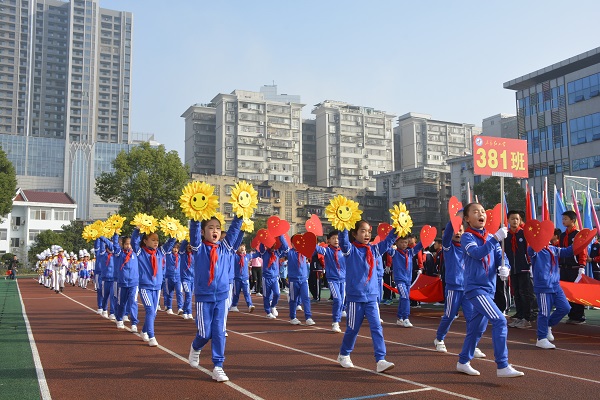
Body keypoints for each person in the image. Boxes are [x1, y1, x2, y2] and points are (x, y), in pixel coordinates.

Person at [456, 202, 524, 378]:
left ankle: (463, 361)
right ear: (467, 219)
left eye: (482, 212)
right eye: (475, 212)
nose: (481, 214)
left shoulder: (491, 237)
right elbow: (478, 253)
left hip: (489, 290)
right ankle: (502, 365)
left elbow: (502, 257)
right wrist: (494, 239)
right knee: (500, 320)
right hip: (475, 289)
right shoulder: (467, 238)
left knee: (476, 329)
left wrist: (506, 268)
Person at [337, 220, 397, 373]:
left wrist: (398, 228)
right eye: (363, 231)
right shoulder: (349, 250)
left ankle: (380, 360)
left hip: (371, 297)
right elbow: (343, 240)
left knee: (377, 327)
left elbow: (388, 241)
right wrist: (343, 222)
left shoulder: (374, 249)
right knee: (352, 329)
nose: (367, 234)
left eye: (369, 232)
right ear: (354, 233)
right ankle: (344, 354)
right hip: (355, 298)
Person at [187, 215, 242, 383]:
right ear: (203, 232)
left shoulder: (225, 247)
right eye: (211, 228)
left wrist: (240, 215)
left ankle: (218, 366)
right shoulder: (198, 247)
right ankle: (196, 347)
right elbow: (194, 232)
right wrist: (196, 216)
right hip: (204, 296)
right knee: (205, 333)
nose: (215, 231)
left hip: (222, 296)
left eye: (217, 227)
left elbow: (233, 231)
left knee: (219, 331)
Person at [433, 218, 486, 358]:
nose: (458, 233)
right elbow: (446, 235)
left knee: (471, 318)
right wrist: (453, 219)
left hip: (468, 289)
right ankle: (439, 338)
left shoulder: (469, 247)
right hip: (453, 288)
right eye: (456, 231)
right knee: (449, 316)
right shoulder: (448, 247)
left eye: (461, 230)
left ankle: (472, 345)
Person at [528, 237, 575, 349]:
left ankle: (548, 325)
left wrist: (579, 242)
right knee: (544, 312)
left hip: (555, 285)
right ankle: (541, 338)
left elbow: (568, 251)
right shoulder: (536, 250)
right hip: (543, 286)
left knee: (565, 308)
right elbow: (530, 251)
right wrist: (536, 242)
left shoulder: (553, 249)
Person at [132, 227, 175, 347]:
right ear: (145, 241)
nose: (156, 242)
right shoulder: (141, 252)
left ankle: (144, 330)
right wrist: (137, 231)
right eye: (153, 240)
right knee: (150, 310)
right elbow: (134, 242)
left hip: (157, 287)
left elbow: (170, 243)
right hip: (145, 287)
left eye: (157, 240)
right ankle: (152, 336)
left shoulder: (160, 252)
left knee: (154, 313)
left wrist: (174, 231)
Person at [505, 210, 534, 329]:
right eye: (512, 219)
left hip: (524, 268)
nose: (515, 221)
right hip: (512, 268)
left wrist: (531, 264)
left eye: (517, 219)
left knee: (525, 293)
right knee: (516, 293)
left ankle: (527, 318)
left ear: (520, 220)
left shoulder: (524, 234)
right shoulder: (506, 235)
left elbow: (530, 250)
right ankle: (520, 316)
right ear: (508, 220)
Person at [558, 210, 587, 324]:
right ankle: (571, 315)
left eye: (566, 219)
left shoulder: (578, 234)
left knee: (576, 292)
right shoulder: (563, 235)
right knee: (567, 292)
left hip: (575, 268)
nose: (563, 221)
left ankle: (579, 316)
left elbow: (582, 251)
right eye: (563, 219)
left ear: (573, 220)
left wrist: (582, 266)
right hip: (564, 267)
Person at [315, 230, 346, 332]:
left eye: (338, 238)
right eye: (333, 238)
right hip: (333, 280)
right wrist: (311, 237)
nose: (336, 240)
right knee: (337, 299)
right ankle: (335, 323)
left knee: (342, 301)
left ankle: (339, 315)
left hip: (343, 279)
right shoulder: (327, 251)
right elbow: (316, 248)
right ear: (329, 241)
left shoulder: (344, 251)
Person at [388, 235, 422, 328]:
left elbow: (419, 247)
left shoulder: (410, 252)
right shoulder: (394, 253)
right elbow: (386, 247)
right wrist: (391, 238)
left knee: (404, 298)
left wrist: (424, 239)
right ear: (397, 243)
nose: (404, 244)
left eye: (406, 242)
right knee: (405, 297)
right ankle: (406, 318)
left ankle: (400, 318)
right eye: (402, 242)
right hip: (400, 280)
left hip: (408, 280)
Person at [252, 238, 286, 319]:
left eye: (274, 244)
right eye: (270, 244)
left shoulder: (277, 253)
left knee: (277, 294)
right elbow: (261, 248)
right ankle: (268, 312)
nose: (272, 246)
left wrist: (280, 235)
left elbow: (285, 246)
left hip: (275, 278)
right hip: (266, 278)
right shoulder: (264, 253)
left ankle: (273, 306)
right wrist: (264, 238)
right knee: (266, 296)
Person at [284, 235, 314, 326]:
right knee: (293, 299)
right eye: (295, 242)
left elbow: (311, 245)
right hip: (293, 281)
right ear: (292, 244)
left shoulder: (305, 252)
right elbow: (285, 245)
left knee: (306, 298)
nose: (298, 244)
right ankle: (293, 317)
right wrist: (281, 233)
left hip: (304, 280)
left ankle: (308, 317)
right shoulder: (290, 252)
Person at [113, 235, 140, 332]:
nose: (128, 246)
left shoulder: (136, 253)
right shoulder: (120, 253)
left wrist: (139, 231)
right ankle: (119, 319)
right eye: (126, 244)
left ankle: (134, 323)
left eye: (130, 244)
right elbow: (115, 245)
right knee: (121, 303)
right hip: (123, 283)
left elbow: (137, 240)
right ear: (123, 245)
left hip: (134, 283)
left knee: (133, 302)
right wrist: (115, 234)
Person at [230, 244, 255, 313]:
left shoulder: (247, 256)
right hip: (236, 278)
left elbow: (256, 255)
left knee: (247, 292)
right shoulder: (235, 256)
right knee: (236, 293)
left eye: (243, 246)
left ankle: (250, 305)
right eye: (240, 246)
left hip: (245, 278)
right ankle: (234, 305)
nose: (242, 248)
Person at [164, 242, 184, 315]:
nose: (175, 249)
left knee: (179, 292)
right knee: (169, 293)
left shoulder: (180, 256)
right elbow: (168, 248)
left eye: (177, 248)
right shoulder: (169, 255)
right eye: (174, 248)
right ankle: (169, 307)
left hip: (178, 277)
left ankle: (180, 308)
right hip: (169, 277)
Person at [179, 239, 195, 320]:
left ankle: (189, 312)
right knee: (188, 295)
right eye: (188, 244)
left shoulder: (194, 255)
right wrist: (187, 237)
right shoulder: (182, 253)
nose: (189, 246)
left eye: (190, 244)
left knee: (190, 296)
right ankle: (185, 311)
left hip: (193, 278)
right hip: (185, 278)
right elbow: (182, 246)